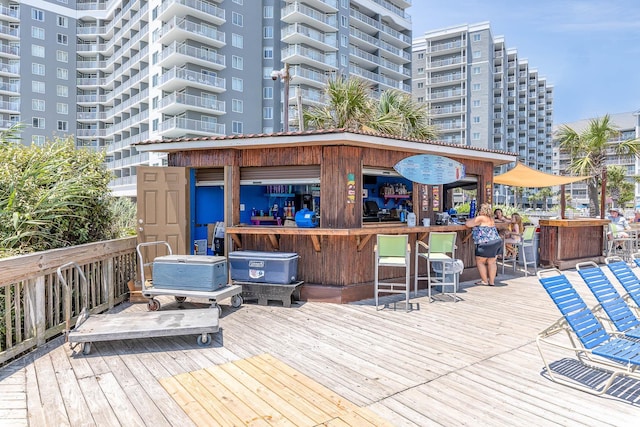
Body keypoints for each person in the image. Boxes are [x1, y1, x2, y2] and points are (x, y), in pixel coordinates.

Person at [466, 203, 502, 286]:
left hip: (486, 242)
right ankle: (492, 282)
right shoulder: (491, 218)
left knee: (480, 261)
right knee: (492, 262)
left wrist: (468, 220)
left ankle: (484, 281)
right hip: (496, 241)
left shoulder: (481, 218)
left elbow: (468, 224)